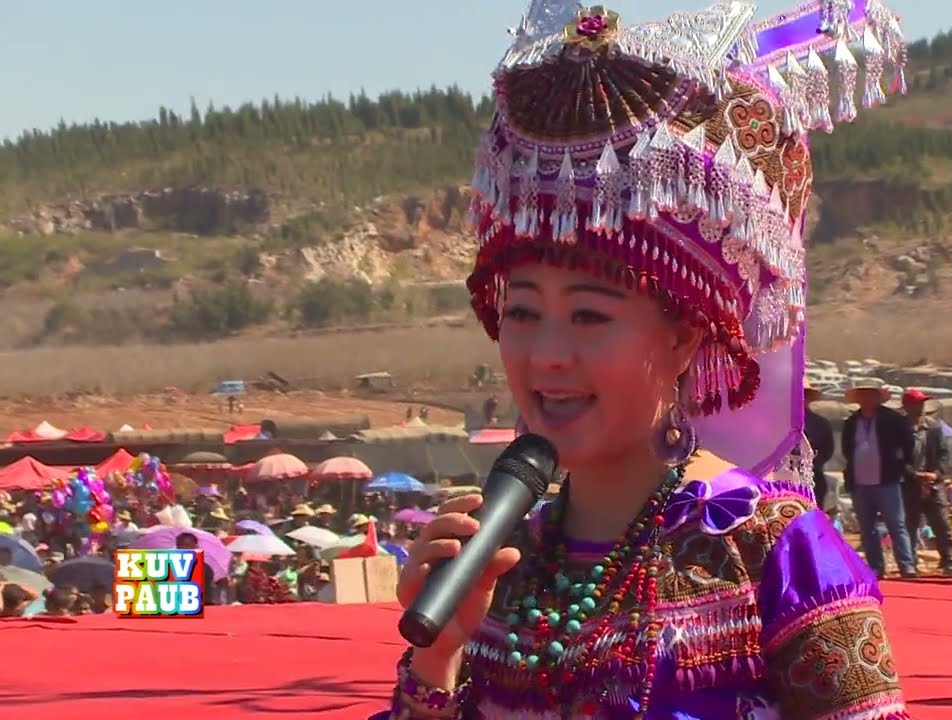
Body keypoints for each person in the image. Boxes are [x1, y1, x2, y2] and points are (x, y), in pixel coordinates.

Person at [373, 1, 914, 717]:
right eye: (523, 313)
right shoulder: (509, 558)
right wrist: (437, 656)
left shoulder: (773, 552)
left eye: (590, 316)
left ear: (685, 336)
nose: (546, 357)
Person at [842, 379, 917, 578]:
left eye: (870, 395)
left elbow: (909, 445)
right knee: (867, 528)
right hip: (860, 482)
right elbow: (846, 451)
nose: (866, 399)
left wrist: (900, 465)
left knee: (896, 525)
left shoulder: (893, 419)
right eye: (862, 395)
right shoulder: (851, 423)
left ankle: (907, 565)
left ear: (878, 397)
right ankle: (876, 567)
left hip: (887, 480)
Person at [901, 389, 952, 575]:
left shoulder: (934, 428)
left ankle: (949, 560)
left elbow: (943, 454)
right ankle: (911, 562)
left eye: (922, 403)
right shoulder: (900, 429)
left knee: (941, 523)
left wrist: (936, 474)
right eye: (916, 404)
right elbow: (896, 458)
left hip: (933, 482)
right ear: (907, 406)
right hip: (910, 483)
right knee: (910, 525)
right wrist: (914, 474)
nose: (920, 407)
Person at [803, 378, 834, 511]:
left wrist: (813, 462)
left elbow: (828, 449)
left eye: (804, 395)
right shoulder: (779, 422)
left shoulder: (820, 423)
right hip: (783, 483)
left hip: (814, 479)